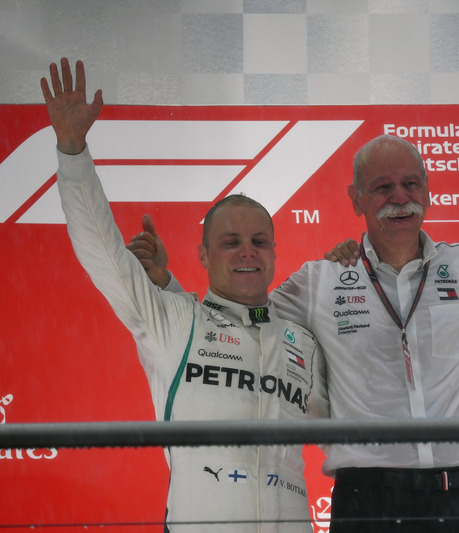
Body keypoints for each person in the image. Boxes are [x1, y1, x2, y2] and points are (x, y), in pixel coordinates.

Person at [133, 87, 459, 533]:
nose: (398, 197)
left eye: (410, 185)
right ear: (356, 197)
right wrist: (166, 285)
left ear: (427, 192)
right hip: (369, 501)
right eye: (382, 187)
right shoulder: (322, 280)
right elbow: (233, 315)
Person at [42, 58, 325, 533]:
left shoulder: (302, 340)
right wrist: (73, 152)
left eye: (259, 241)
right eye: (230, 242)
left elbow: (357, 419)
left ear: (276, 252)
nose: (247, 253)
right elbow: (102, 252)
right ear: (203, 256)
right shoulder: (174, 321)